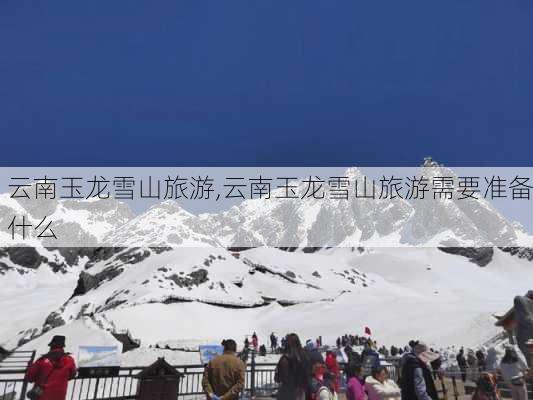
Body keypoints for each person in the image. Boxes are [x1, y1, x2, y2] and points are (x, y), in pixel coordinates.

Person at [25, 335, 77, 400]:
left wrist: (30, 366)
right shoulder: (70, 360)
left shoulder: (42, 360)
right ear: (62, 347)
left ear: (51, 346)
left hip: (42, 396)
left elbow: (30, 378)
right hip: (60, 396)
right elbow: (72, 374)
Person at [274, 333, 310, 400]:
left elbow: (278, 378)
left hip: (287, 392)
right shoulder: (305, 356)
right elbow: (308, 373)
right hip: (301, 392)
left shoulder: (285, 359)